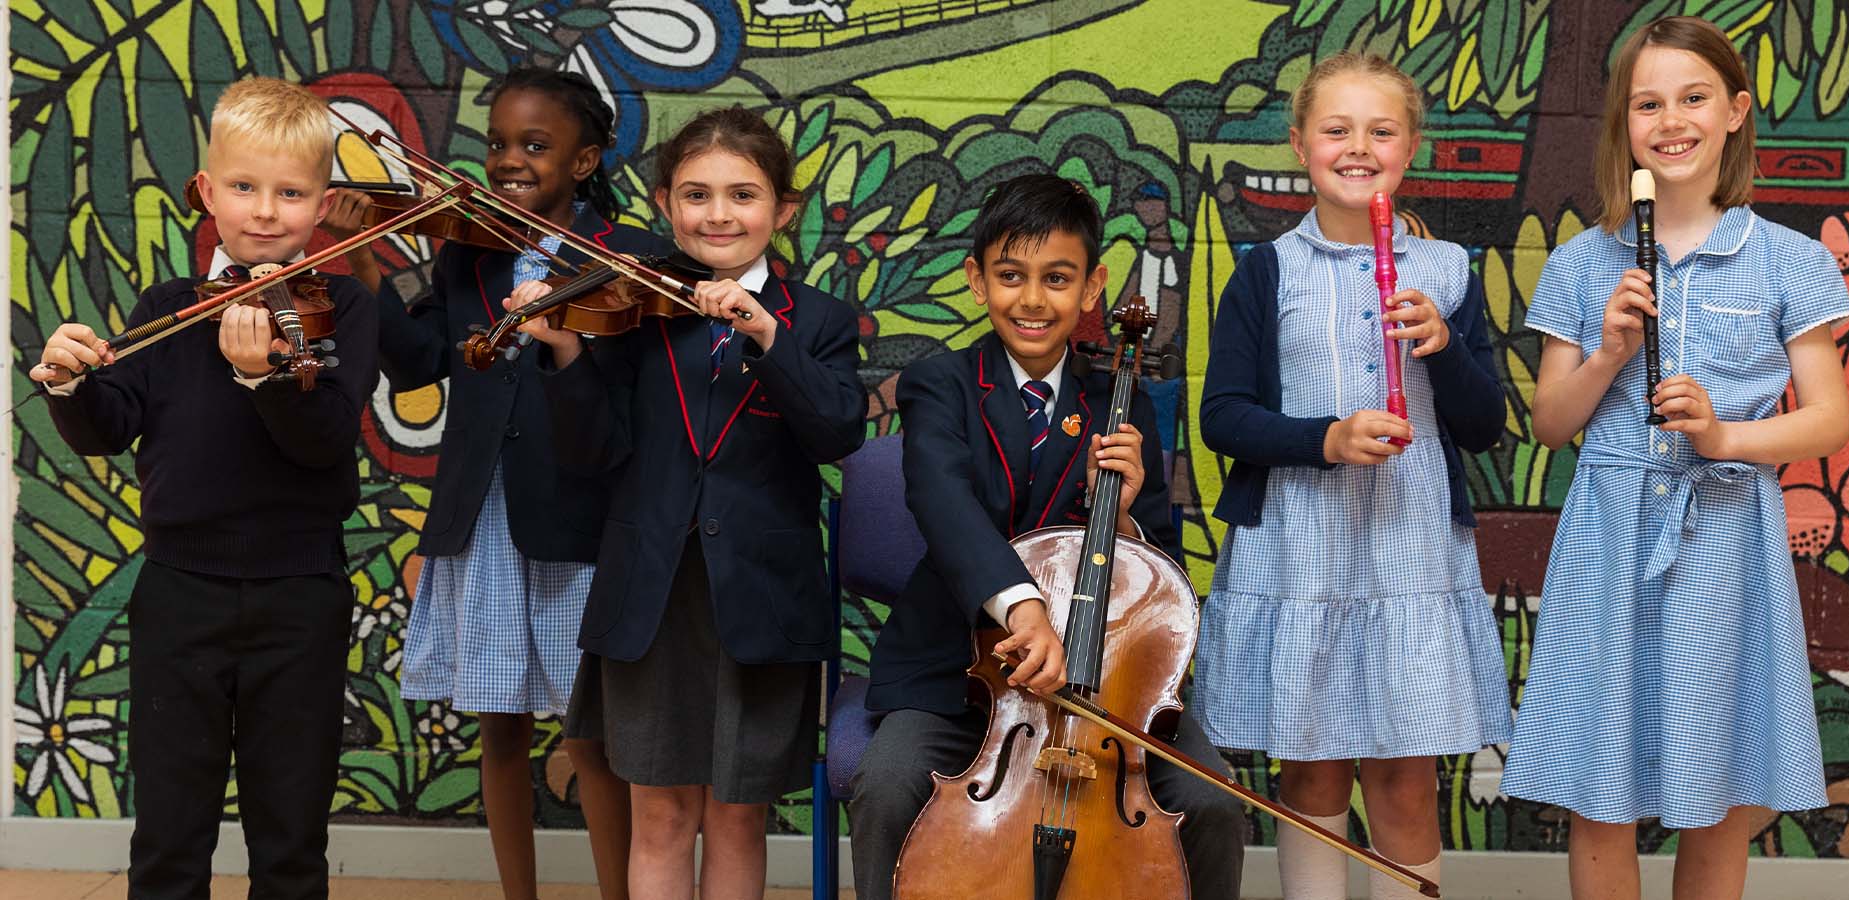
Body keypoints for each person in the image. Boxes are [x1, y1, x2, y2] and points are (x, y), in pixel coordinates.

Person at [1501, 16, 1849, 900]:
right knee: (1600, 791)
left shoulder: (1790, 261)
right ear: (1623, 124)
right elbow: (1550, 423)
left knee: (1721, 794)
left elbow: (1829, 421)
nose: (1671, 121)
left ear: (1735, 111)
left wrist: (1724, 437)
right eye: (1647, 104)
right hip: (1608, 537)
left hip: (1728, 538)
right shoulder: (1581, 264)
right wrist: (1609, 353)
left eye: (1694, 98)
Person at [320, 67, 669, 900]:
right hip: (483, 513)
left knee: (590, 739)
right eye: (498, 143)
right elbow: (419, 362)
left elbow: (627, 406)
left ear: (584, 161)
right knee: (499, 732)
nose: (509, 160)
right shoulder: (470, 255)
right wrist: (363, 260)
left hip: (578, 518)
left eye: (535, 145)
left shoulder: (628, 259)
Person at [850, 172, 1246, 900]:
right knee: (886, 787)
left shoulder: (1121, 401)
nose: (1032, 299)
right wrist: (1024, 608)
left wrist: (1122, 514)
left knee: (1213, 804)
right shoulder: (940, 384)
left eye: (1057, 279)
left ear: (1092, 288)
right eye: (1011, 276)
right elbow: (943, 502)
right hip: (955, 673)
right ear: (977, 280)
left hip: (1104, 687)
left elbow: (1158, 569)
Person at [30, 76, 379, 900]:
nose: (266, 212)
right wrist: (69, 383)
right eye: (245, 187)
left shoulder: (344, 306)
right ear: (207, 191)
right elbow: (108, 427)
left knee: (290, 834)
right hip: (179, 591)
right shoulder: (168, 306)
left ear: (321, 203)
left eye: (290, 193)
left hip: (301, 592)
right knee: (169, 828)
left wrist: (264, 378)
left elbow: (324, 439)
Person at [509, 105, 866, 900]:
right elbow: (590, 453)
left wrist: (767, 336)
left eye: (743, 195)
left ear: (783, 210)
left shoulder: (819, 322)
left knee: (737, 817)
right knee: (662, 815)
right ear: (665, 203)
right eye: (696, 195)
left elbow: (836, 433)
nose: (718, 215)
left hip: (761, 602)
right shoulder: (634, 310)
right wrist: (565, 352)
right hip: (653, 595)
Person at [1191, 51, 1510, 900]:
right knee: (1312, 771)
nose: (1358, 147)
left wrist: (1444, 348)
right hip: (1301, 551)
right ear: (1302, 145)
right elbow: (1222, 417)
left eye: (1381, 131)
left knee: (1404, 779)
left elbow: (1485, 426)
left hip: (1411, 552)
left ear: (1410, 149)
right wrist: (1327, 438)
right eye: (1337, 130)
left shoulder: (1448, 272)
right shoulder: (1265, 272)